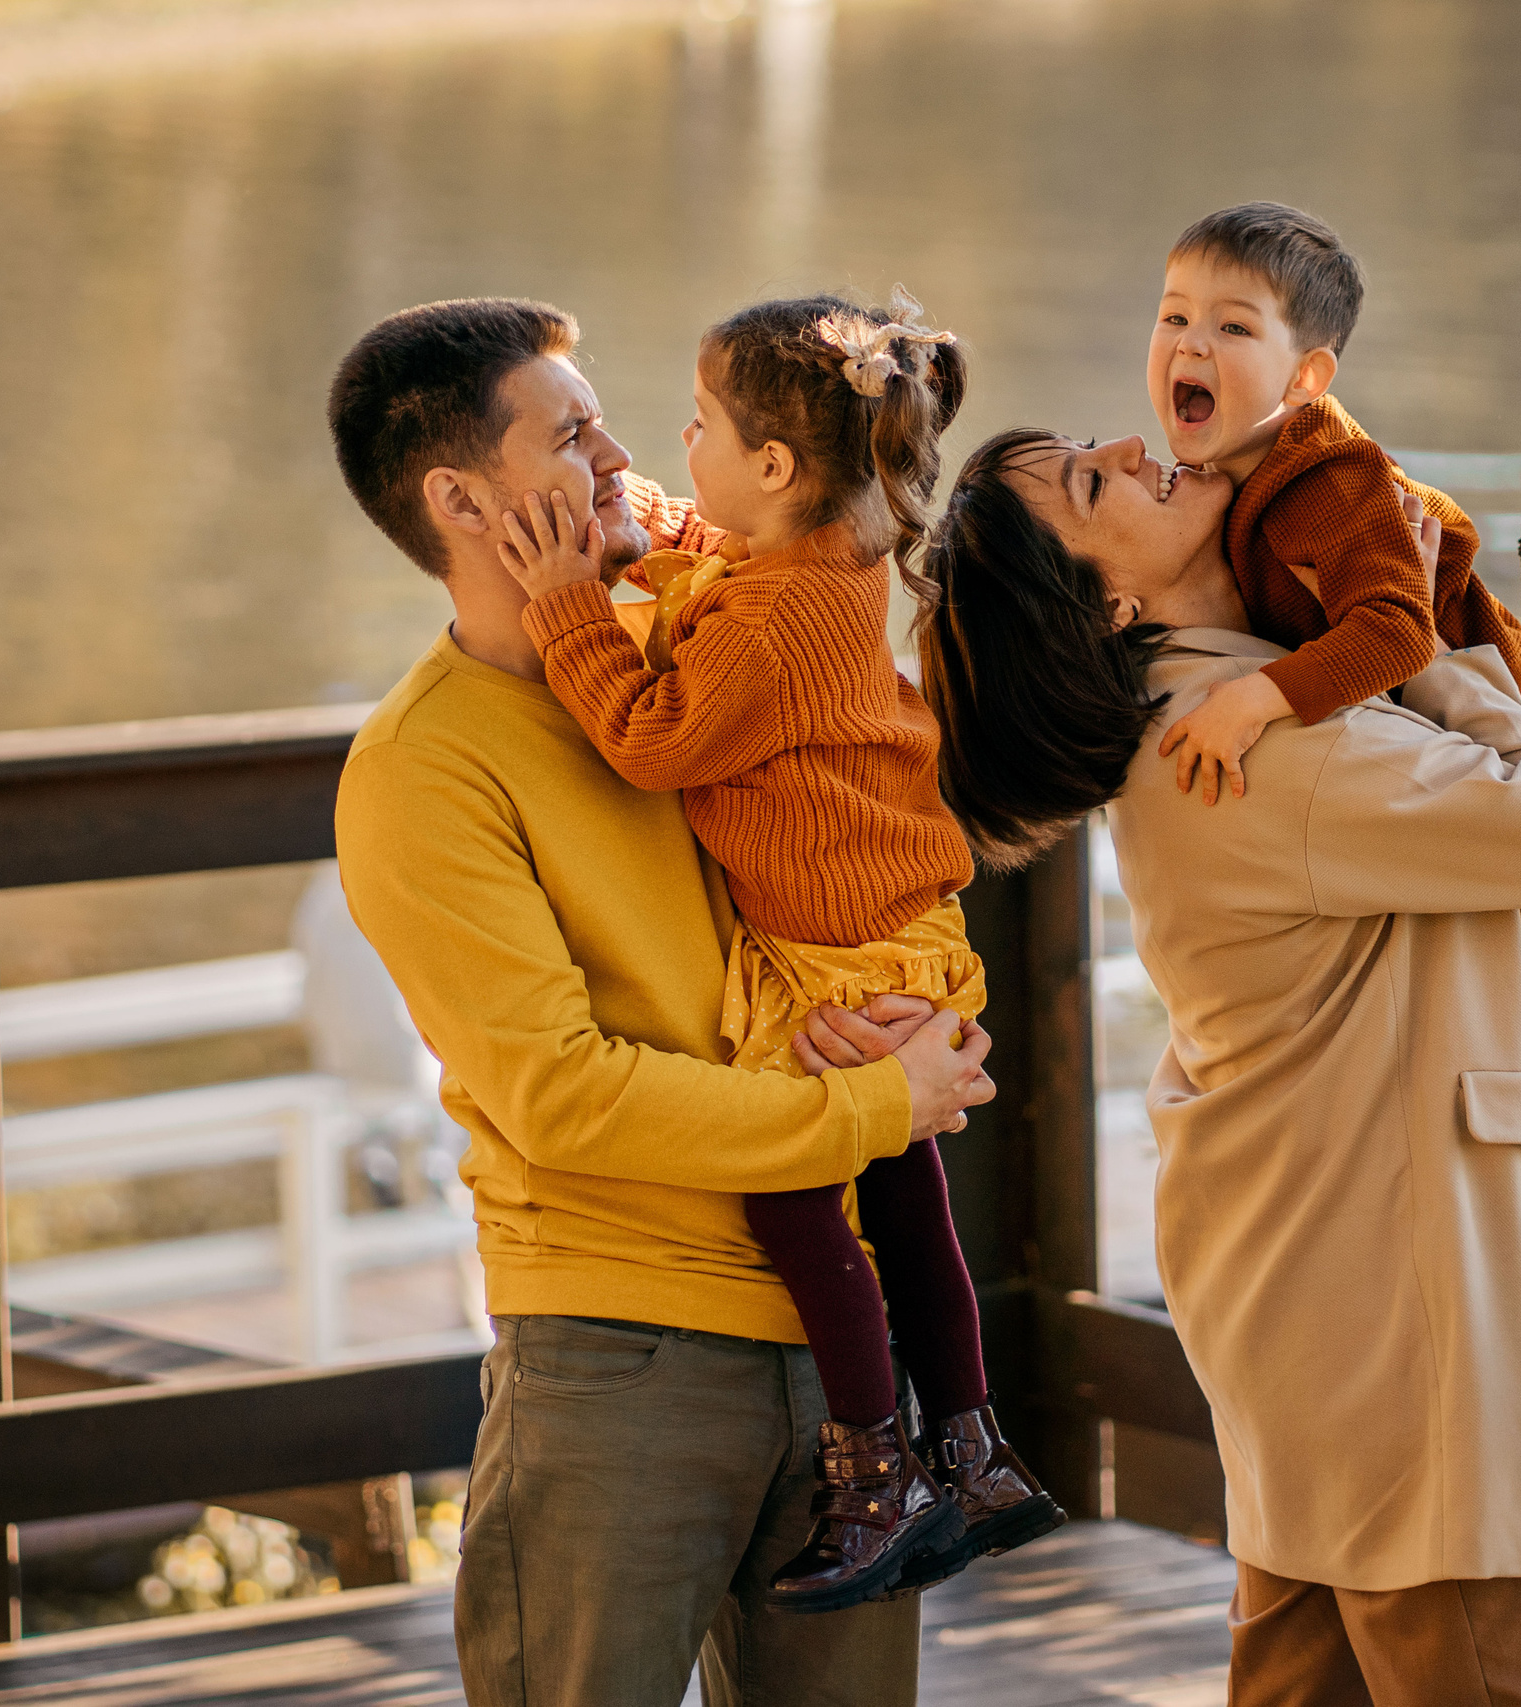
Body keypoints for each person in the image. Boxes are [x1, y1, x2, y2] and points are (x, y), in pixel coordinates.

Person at [326, 295, 996, 1707]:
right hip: (621, 1361)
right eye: (573, 435)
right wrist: (874, 1105)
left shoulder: (705, 629)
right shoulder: (421, 769)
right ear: (460, 500)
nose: (622, 454)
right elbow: (562, 1093)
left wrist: (918, 1006)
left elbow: (860, 828)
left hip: (835, 1338)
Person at [913, 428, 1521, 1704]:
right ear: (1108, 603)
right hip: (1397, 1317)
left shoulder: (1224, 714)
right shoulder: (1269, 748)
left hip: (1315, 1296)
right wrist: (1426, 642)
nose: (1131, 445)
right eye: (1092, 482)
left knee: (1302, 1676)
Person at [485, 289, 1060, 1613]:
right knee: (906, 1204)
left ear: (779, 466)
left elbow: (655, 739)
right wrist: (638, 529)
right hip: (889, 929)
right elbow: (718, 557)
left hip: (834, 956)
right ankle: (973, 1450)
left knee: (796, 1204)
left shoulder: (772, 619)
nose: (676, 443)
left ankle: (876, 1475)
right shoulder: (828, 552)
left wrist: (570, 605)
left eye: (700, 426)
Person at [1141, 202, 1521, 1478]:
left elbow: (1394, 634)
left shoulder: (1327, 480)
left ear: (1306, 376)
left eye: (1232, 327)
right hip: (1452, 747)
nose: (1189, 345)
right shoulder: (1230, 471)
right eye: (1173, 317)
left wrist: (1258, 697)